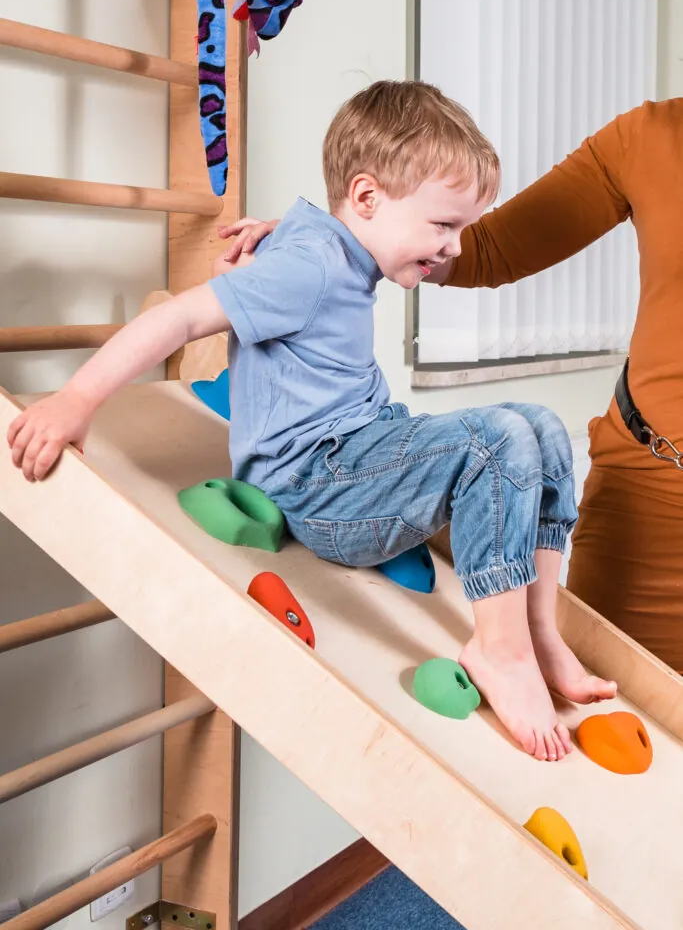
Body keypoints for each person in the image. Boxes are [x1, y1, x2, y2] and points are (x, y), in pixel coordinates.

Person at [7, 80, 616, 760]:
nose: (451, 247)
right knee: (498, 440)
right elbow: (179, 316)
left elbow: (310, 245)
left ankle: (536, 628)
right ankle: (498, 651)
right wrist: (76, 399)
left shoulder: (323, 241)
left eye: (461, 228)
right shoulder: (308, 267)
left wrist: (278, 232)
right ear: (364, 198)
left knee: (536, 424)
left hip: (358, 451)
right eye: (442, 225)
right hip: (319, 490)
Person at [219, 97, 683, 677]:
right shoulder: (654, 137)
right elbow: (486, 249)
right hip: (652, 499)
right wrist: (333, 240)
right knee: (619, 728)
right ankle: (517, 649)